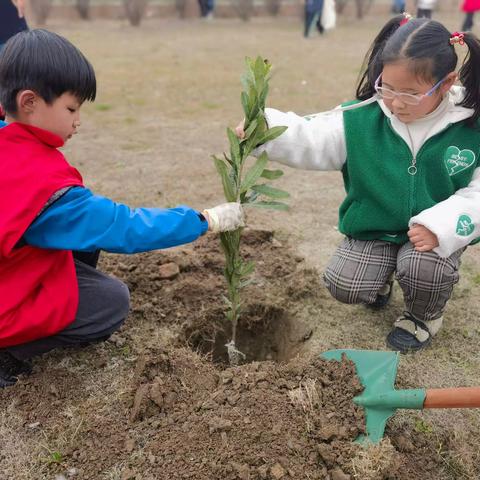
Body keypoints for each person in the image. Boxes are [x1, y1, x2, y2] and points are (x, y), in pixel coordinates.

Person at [0, 29, 245, 388]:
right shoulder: (38, 184)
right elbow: (124, 226)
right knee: (110, 302)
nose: (78, 122)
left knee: (84, 237)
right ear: (29, 102)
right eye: (71, 108)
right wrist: (202, 220)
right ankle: (11, 347)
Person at [236, 15, 480, 353]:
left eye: (410, 94)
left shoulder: (469, 126)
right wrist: (264, 129)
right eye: (388, 87)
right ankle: (380, 282)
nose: (395, 102)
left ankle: (423, 316)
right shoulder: (362, 118)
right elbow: (312, 135)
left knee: (423, 268)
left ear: (446, 81)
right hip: (377, 228)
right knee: (344, 284)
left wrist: (440, 226)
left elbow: (477, 193)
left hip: (431, 236)